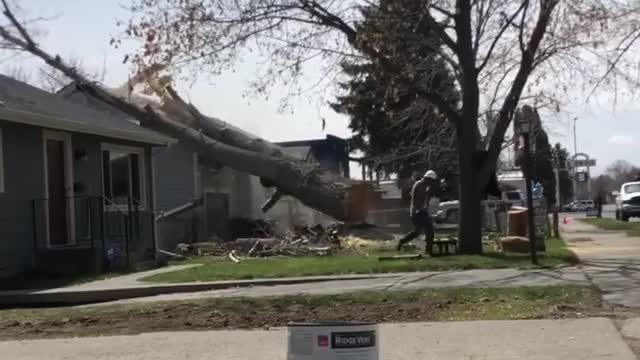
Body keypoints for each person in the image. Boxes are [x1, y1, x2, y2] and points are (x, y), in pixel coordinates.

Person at [397, 170, 438, 254]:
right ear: (427, 179)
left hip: (421, 212)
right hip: (417, 212)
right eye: (431, 181)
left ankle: (402, 241)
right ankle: (428, 250)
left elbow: (425, 201)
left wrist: (426, 211)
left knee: (417, 232)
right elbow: (416, 200)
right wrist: (419, 210)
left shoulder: (426, 186)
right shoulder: (419, 185)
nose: (431, 183)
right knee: (429, 230)